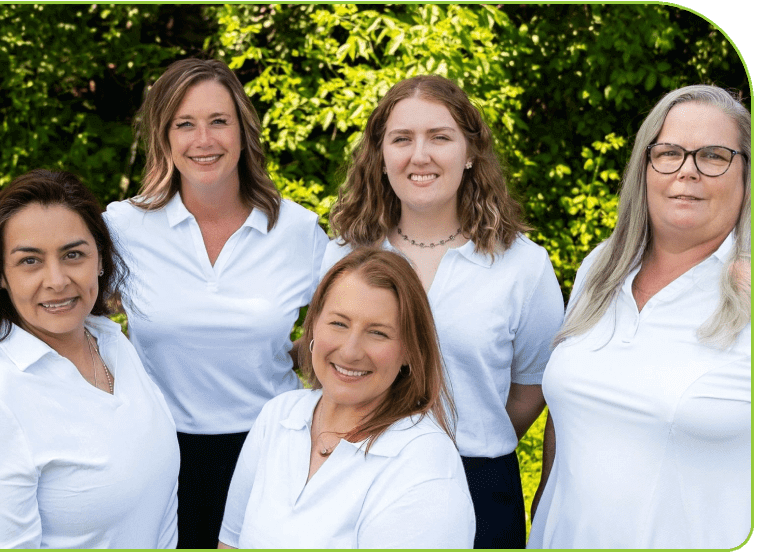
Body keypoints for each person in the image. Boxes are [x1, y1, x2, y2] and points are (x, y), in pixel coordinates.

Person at [322, 74, 564, 548]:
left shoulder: (522, 264)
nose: (420, 155)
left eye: (440, 137)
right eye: (402, 139)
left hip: (479, 486)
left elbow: (534, 384)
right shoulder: (342, 255)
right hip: (357, 476)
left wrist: (464, 435)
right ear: (381, 154)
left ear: (470, 152)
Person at [103, 58, 330, 548]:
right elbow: (76, 321)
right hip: (154, 452)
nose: (203, 140)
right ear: (163, 137)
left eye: (218, 121)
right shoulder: (121, 227)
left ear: (244, 130)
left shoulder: (297, 231)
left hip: (271, 449)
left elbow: (336, 333)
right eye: (184, 124)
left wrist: (298, 357)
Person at [528, 85, 751, 549]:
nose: (687, 172)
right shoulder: (601, 267)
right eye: (669, 153)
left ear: (745, 174)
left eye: (713, 156)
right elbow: (565, 422)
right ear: (644, 168)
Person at [0, 169, 180, 549]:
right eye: (30, 261)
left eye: (73, 255)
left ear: (100, 258)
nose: (57, 280)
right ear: (1, 274)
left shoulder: (113, 344)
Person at [218, 247, 475, 549]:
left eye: (378, 333)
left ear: (408, 351)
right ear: (312, 326)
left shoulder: (423, 461)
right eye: (339, 323)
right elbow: (231, 543)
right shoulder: (278, 416)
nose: (351, 351)